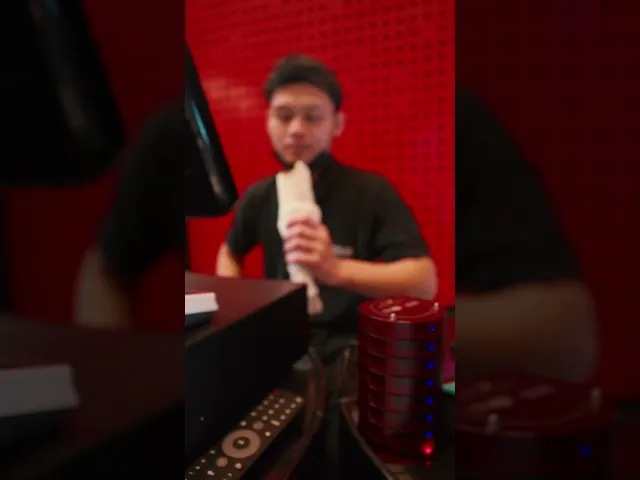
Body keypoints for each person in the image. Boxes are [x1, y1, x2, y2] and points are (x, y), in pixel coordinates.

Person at [215, 54, 437, 344]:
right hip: (278, 340)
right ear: (268, 122)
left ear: (337, 123)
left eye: (312, 117)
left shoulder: (370, 190)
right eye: (284, 116)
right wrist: (235, 306)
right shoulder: (260, 194)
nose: (296, 129)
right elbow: (230, 251)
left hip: (351, 344)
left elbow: (424, 282)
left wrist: (336, 269)